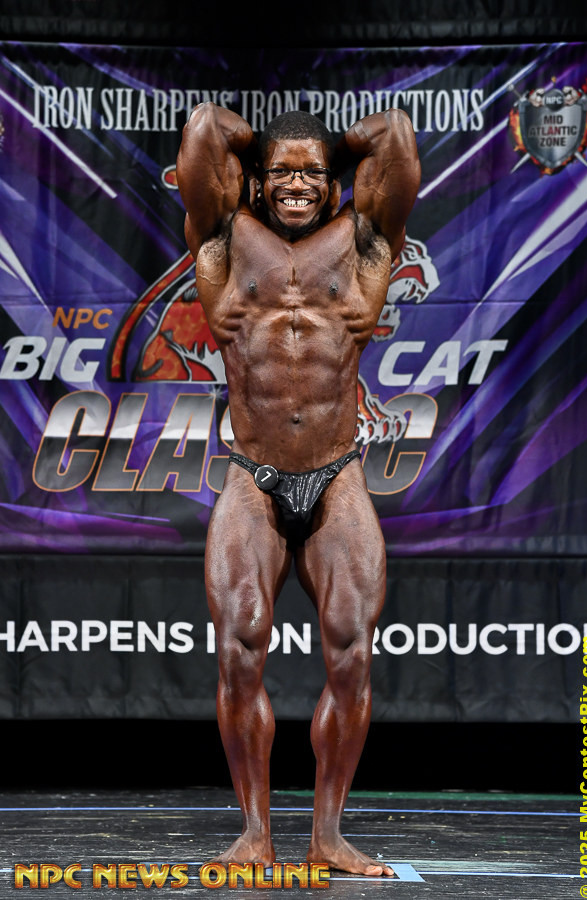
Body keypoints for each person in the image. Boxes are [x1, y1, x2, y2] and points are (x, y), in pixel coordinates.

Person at [176, 102, 420, 877]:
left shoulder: (365, 241)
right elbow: (205, 127)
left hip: (336, 475)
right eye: (282, 173)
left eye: (311, 174)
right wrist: (274, 154)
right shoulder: (222, 240)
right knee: (239, 647)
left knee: (350, 652)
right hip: (252, 478)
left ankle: (328, 836)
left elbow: (395, 134)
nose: (297, 185)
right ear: (254, 178)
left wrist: (317, 153)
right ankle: (255, 833)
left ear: (335, 180)